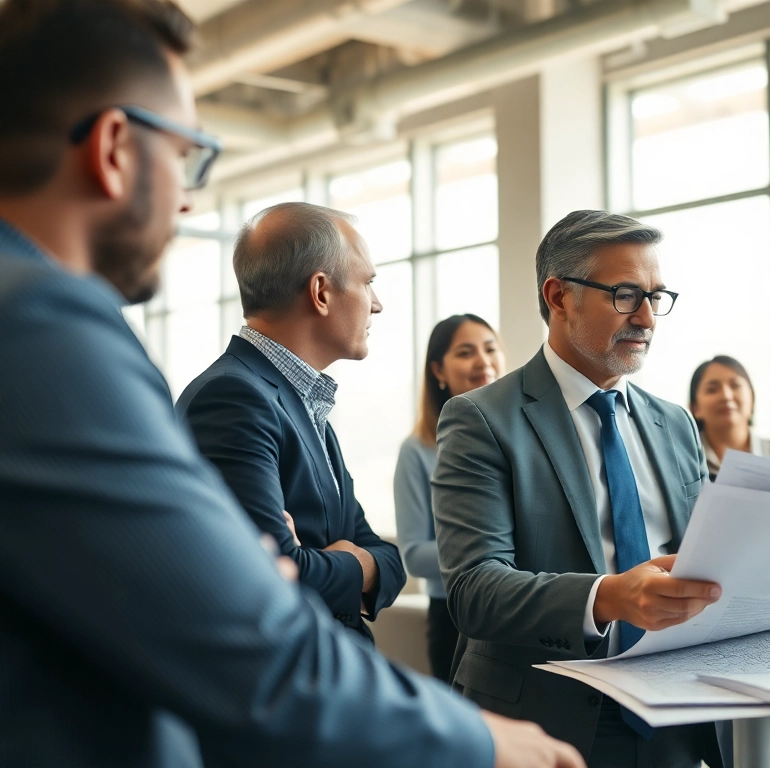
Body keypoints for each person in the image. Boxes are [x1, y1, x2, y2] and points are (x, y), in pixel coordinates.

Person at [0, 1, 582, 765]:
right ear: (113, 148)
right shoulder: (39, 324)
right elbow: (241, 636)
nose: (188, 198)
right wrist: (482, 741)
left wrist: (286, 574)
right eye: (187, 156)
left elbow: (326, 570)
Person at [433, 210, 725, 768]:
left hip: (677, 718)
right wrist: (609, 597)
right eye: (625, 295)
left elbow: (710, 557)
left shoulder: (676, 423)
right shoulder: (482, 419)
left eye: (656, 297)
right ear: (559, 296)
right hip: (550, 719)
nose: (647, 317)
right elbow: (474, 589)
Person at [178, 202, 406, 644]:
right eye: (368, 282)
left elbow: (389, 559)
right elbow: (270, 574)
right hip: (288, 672)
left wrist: (342, 561)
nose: (377, 305)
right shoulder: (234, 398)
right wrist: (359, 565)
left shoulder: (303, 401)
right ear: (321, 292)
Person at [396, 313, 505, 682]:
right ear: (438, 370)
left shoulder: (520, 439)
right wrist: (492, 551)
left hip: (519, 608)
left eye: (490, 349)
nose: (483, 361)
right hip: (455, 618)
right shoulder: (417, 451)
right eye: (465, 352)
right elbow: (414, 554)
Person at [688, 354, 770, 480]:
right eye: (712, 390)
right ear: (695, 408)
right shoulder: (684, 461)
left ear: (752, 399)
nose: (726, 396)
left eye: (735, 386)